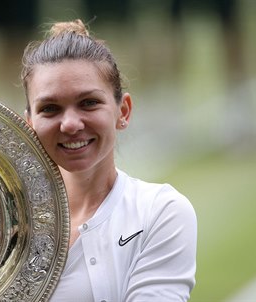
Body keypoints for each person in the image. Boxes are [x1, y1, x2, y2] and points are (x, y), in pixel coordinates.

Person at [21, 19, 197, 302]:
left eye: (88, 102)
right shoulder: (4, 222)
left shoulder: (159, 213)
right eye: (50, 108)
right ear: (30, 123)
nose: (70, 124)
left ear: (123, 111)